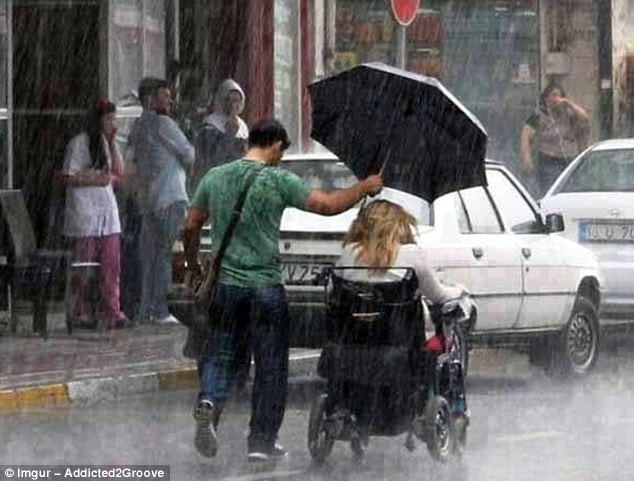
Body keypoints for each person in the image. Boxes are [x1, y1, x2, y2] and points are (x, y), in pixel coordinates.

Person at [181, 118, 383, 461]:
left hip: (226, 287)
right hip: (265, 288)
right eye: (281, 151)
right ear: (275, 145)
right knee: (271, 366)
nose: (280, 157)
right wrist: (364, 187)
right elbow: (328, 205)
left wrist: (194, 265)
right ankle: (261, 444)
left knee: (221, 353)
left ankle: (209, 402)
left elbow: (190, 225)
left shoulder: (215, 177)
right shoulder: (278, 180)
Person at [125, 77, 195, 325]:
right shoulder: (163, 123)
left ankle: (146, 308)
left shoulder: (138, 126)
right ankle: (161, 309)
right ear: (149, 100)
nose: (169, 101)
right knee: (164, 254)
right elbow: (188, 153)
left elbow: (132, 161)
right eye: (165, 96)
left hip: (148, 200)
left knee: (150, 257)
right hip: (170, 196)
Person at [61, 98, 127, 329]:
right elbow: (67, 177)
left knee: (111, 266)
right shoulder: (79, 143)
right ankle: (77, 311)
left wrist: (113, 143)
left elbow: (119, 171)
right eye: (108, 119)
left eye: (114, 119)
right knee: (83, 267)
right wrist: (93, 179)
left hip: (107, 214)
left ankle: (112, 310)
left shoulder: (108, 143)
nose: (112, 123)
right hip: (85, 213)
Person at [520, 82, 590, 198]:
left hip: (568, 158)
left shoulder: (567, 113)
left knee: (570, 190)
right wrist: (527, 159)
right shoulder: (539, 115)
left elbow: (584, 117)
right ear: (546, 98)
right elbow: (525, 135)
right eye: (554, 95)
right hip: (548, 159)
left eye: (560, 95)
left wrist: (568, 103)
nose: (557, 98)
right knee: (551, 189)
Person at [189, 78, 249, 193]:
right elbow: (212, 158)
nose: (233, 104)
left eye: (237, 100)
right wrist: (229, 135)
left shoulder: (242, 126)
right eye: (228, 100)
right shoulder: (210, 125)